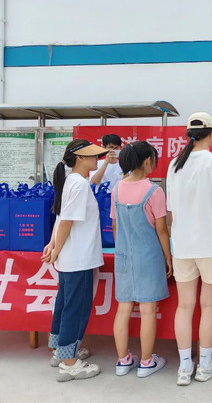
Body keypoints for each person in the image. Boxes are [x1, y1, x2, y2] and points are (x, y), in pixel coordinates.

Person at [167, 112, 212, 386]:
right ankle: (205, 364)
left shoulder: (175, 164)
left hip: (183, 245)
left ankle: (184, 366)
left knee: (184, 306)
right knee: (209, 305)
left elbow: (171, 212)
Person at [42, 139, 108, 382]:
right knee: (76, 307)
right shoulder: (79, 185)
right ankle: (69, 363)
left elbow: (61, 217)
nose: (97, 159)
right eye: (92, 156)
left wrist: (53, 245)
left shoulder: (72, 181)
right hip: (78, 256)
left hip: (72, 255)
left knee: (65, 304)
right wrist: (55, 248)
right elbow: (67, 221)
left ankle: (60, 351)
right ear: (80, 158)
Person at [110, 141, 173, 378]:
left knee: (123, 308)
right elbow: (162, 229)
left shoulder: (117, 189)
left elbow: (115, 226)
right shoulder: (154, 191)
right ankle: (146, 362)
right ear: (148, 161)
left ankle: (122, 360)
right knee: (148, 310)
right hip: (148, 256)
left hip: (123, 255)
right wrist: (168, 257)